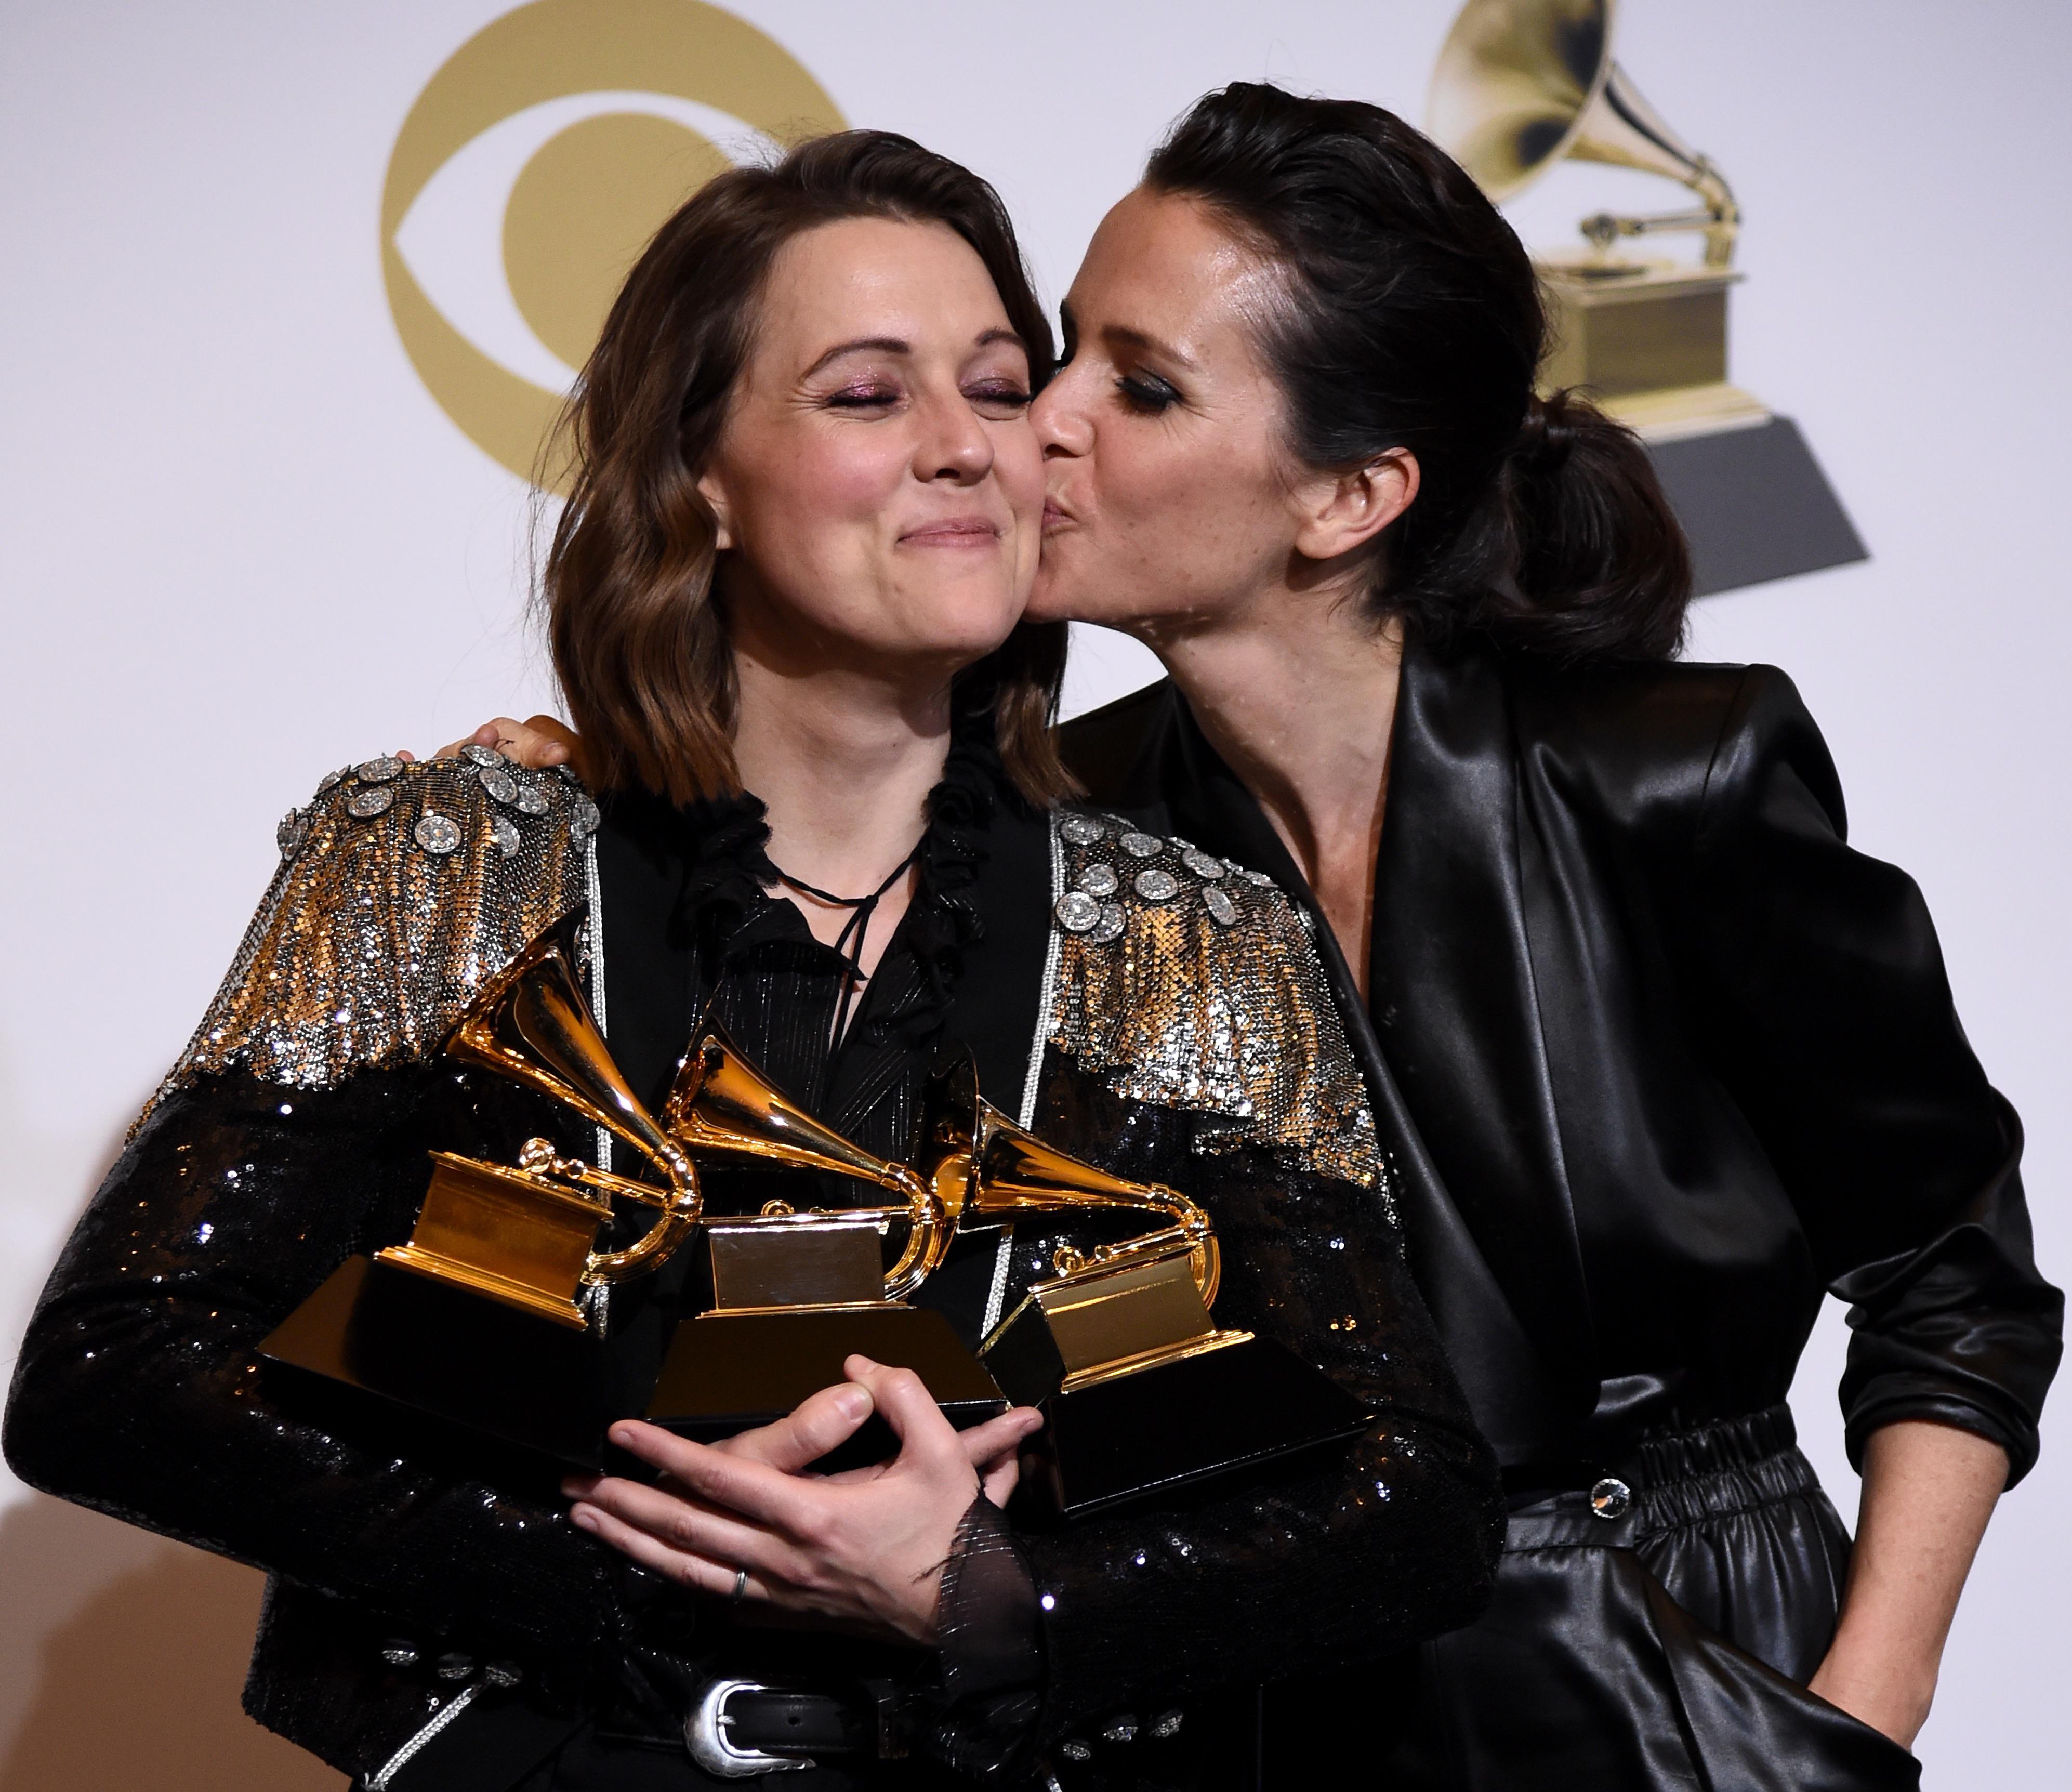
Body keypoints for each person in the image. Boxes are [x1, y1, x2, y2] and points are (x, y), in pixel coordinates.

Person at [476, 84, 2062, 1792]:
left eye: (1138, 387)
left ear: (1348, 497)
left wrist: (1850, 1727)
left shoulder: (1673, 773)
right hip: (1262, 1694)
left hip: (1684, 1685)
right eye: (1059, 353)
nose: (1038, 422)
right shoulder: (1064, 841)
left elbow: (1949, 1282)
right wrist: (605, 807)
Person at [2, 129, 1501, 1792]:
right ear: (700, 470)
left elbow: (1412, 1504)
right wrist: (611, 1552)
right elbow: (110, 1371)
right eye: (866, 397)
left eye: (997, 388)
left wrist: (986, 1590)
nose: (960, 449)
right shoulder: (455, 862)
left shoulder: (1187, 933)